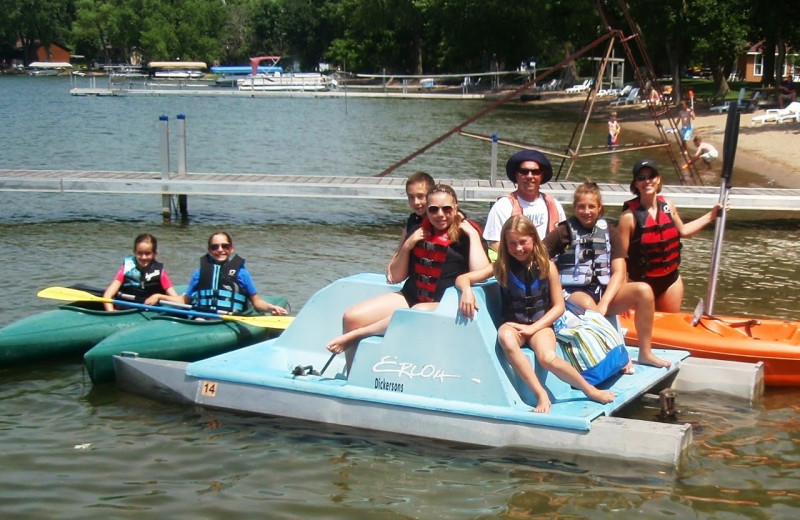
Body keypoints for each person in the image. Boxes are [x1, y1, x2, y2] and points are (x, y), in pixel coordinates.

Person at [457, 215, 616, 413]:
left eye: (523, 242)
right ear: (505, 245)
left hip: (541, 325)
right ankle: (540, 393)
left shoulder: (548, 266)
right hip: (514, 325)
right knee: (505, 336)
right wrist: (466, 291)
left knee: (547, 358)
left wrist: (533, 328)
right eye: (512, 243)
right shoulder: (501, 267)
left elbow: (559, 307)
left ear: (533, 238)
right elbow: (463, 278)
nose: (518, 248)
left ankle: (590, 391)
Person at [328, 184, 490, 373]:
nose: (440, 214)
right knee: (351, 317)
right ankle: (352, 375)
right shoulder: (417, 230)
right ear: (427, 211)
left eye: (447, 209)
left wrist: (471, 233)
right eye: (433, 209)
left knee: (416, 312)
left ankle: (356, 336)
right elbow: (395, 276)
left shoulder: (467, 236)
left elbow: (481, 274)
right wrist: (408, 245)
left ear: (455, 208)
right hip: (412, 295)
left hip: (446, 302)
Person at [543, 181, 666, 368]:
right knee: (589, 307)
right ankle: (616, 358)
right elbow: (539, 256)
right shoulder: (562, 232)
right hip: (574, 294)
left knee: (644, 291)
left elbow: (619, 271)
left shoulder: (610, 231)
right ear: (575, 208)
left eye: (591, 206)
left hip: (603, 294)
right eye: (581, 207)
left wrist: (605, 303)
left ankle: (645, 353)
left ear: (599, 208)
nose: (587, 211)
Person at [618, 159, 724, 313]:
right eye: (641, 178)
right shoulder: (628, 217)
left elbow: (684, 231)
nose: (647, 181)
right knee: (643, 330)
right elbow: (619, 257)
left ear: (658, 179)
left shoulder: (668, 205)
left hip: (670, 281)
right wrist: (622, 290)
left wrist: (711, 216)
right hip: (640, 283)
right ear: (635, 184)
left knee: (670, 323)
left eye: (651, 176)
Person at [155, 231, 288, 316]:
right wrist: (159, 296)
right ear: (209, 250)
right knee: (199, 320)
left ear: (231, 249)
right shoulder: (199, 274)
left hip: (230, 319)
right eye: (215, 247)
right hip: (204, 317)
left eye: (225, 246)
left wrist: (271, 308)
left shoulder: (242, 274)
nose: (220, 250)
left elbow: (256, 302)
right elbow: (183, 301)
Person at [483, 149, 566, 256]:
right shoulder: (503, 206)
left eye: (535, 172)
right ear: (516, 175)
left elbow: (563, 240)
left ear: (542, 176)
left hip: (549, 265)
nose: (530, 176)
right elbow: (495, 243)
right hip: (515, 266)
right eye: (524, 171)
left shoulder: (554, 204)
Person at [102, 233, 180, 312]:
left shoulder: (160, 273)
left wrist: (158, 296)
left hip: (148, 312)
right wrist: (111, 311)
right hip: (124, 310)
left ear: (154, 254)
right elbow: (107, 295)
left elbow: (177, 301)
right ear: (134, 252)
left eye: (147, 253)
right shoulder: (127, 268)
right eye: (140, 253)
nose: (143, 257)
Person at [386, 171, 436, 284]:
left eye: (420, 196)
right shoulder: (413, 221)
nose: (416, 202)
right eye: (411, 197)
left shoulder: (440, 221)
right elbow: (396, 257)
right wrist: (408, 244)